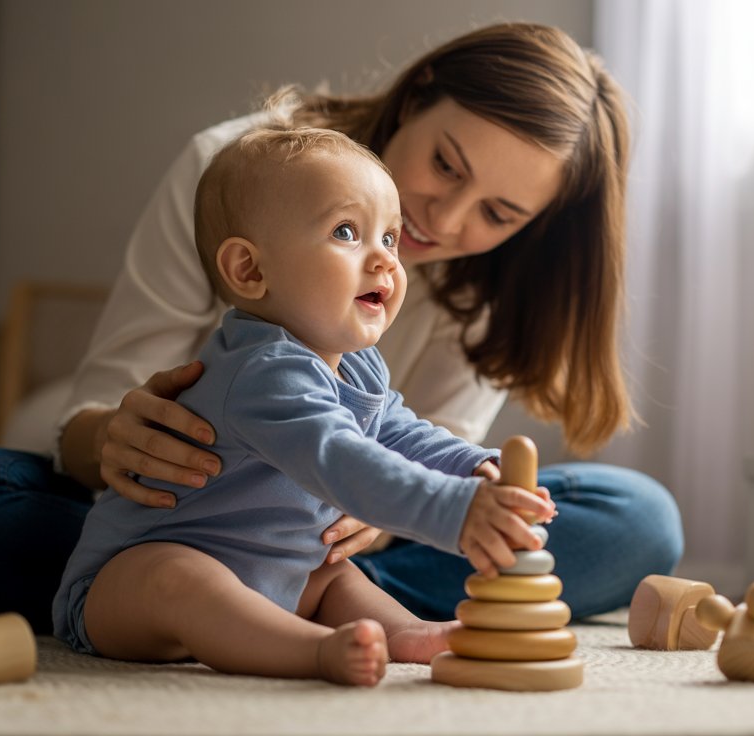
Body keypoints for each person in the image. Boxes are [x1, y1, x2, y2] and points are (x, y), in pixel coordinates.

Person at [0, 22, 684, 633]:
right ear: (418, 92)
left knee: (637, 519)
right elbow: (93, 417)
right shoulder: (232, 170)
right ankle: (175, 591)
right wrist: (111, 438)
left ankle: (235, 605)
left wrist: (419, 502)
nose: (442, 218)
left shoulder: (499, 282)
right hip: (172, 513)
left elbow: (410, 446)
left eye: (499, 213)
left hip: (334, 541)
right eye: (445, 165)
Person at [54, 125, 555, 685]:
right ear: (250, 270)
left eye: (389, 239)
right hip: (125, 584)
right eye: (347, 233)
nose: (386, 261)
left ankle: (405, 630)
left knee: (336, 574)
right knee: (181, 577)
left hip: (279, 573)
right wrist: (455, 510)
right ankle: (312, 651)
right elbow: (339, 458)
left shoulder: (355, 361)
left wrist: (472, 466)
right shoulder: (263, 371)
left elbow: (401, 432)